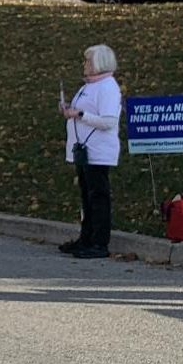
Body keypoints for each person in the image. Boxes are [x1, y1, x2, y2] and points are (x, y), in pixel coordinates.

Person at [60, 43, 121, 259]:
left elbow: (108, 121)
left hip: (98, 151)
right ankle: (86, 237)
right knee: (86, 196)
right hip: (83, 150)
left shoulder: (107, 87)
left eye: (88, 61)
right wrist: (70, 109)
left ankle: (99, 242)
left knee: (98, 196)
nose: (84, 65)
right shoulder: (88, 86)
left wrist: (80, 114)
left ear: (99, 64)